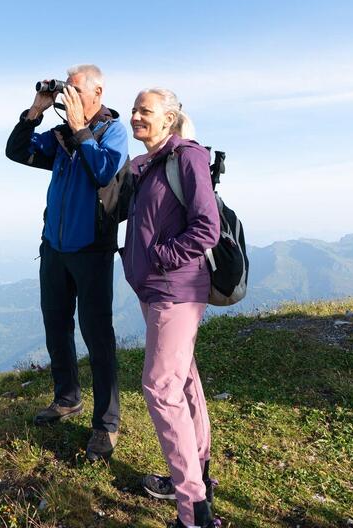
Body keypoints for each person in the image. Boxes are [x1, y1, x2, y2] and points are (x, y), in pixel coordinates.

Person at [5, 64, 129, 461]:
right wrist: (35, 111)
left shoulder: (114, 131)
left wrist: (80, 129)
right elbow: (17, 151)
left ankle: (106, 424)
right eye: (66, 89)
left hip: (92, 249)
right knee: (56, 324)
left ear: (98, 92)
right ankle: (67, 397)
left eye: (75, 89)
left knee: (97, 335)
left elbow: (105, 172)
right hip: (55, 248)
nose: (68, 96)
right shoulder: (59, 135)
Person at [121, 87, 220, 528]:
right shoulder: (150, 164)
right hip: (156, 289)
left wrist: (161, 257)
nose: (135, 115)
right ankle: (199, 479)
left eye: (145, 110)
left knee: (161, 388)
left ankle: (193, 512)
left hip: (174, 290)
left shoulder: (187, 157)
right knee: (183, 382)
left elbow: (206, 227)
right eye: (134, 109)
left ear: (169, 118)